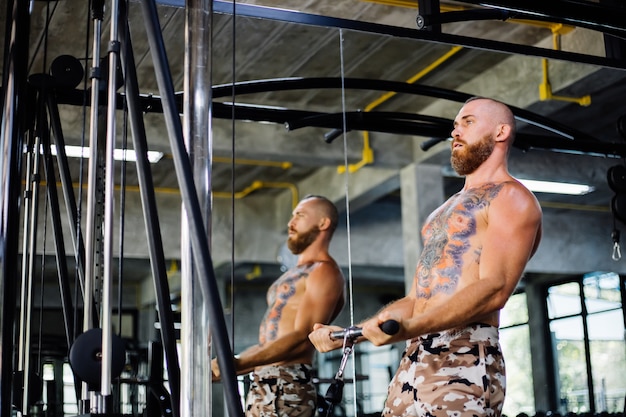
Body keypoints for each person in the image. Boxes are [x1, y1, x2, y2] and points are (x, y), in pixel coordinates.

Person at [308, 97, 543, 417]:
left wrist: (412, 325)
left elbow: (495, 287)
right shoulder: (441, 213)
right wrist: (350, 336)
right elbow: (418, 299)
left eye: (468, 122)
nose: (455, 131)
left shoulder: (512, 197)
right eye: (455, 125)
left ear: (501, 132)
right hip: (416, 357)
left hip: (466, 355)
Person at [212, 195, 346, 417]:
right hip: (264, 380)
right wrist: (227, 368)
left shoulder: (325, 272)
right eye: (292, 216)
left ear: (323, 223)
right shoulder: (296, 274)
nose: (290, 223)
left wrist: (236, 363)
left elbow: (302, 336)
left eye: (300, 216)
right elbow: (269, 344)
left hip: (288, 383)